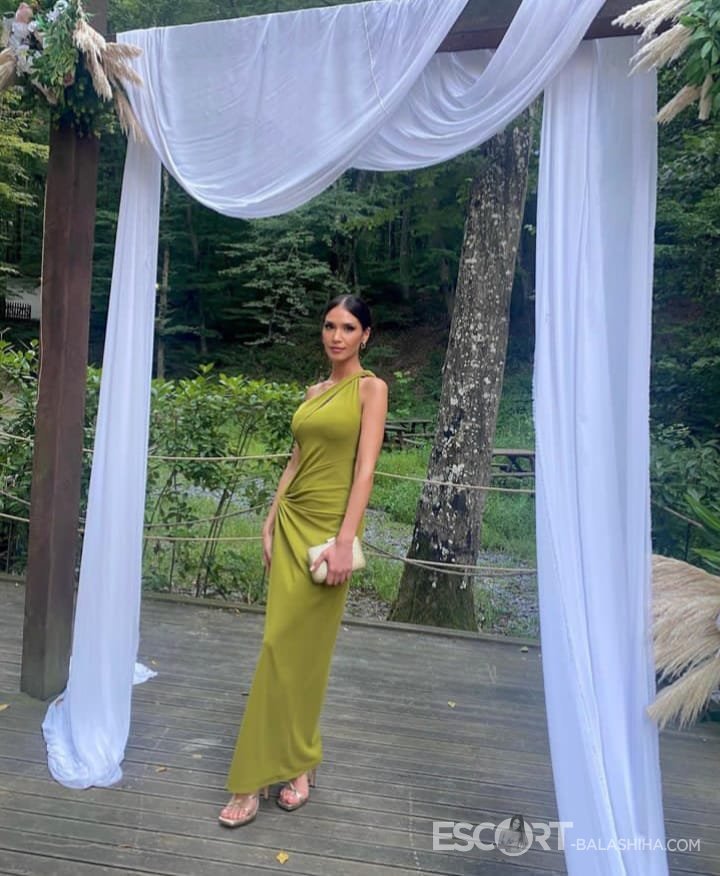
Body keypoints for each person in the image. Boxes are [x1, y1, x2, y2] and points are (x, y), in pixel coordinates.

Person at [219, 294, 388, 827]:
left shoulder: (371, 389)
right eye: (330, 326)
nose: (337, 336)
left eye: (348, 327)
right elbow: (296, 460)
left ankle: (270, 772)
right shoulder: (314, 393)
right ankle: (295, 762)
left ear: (365, 335)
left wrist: (345, 541)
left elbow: (365, 471)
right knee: (280, 646)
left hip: (328, 535)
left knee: (301, 654)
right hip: (292, 524)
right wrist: (271, 518)